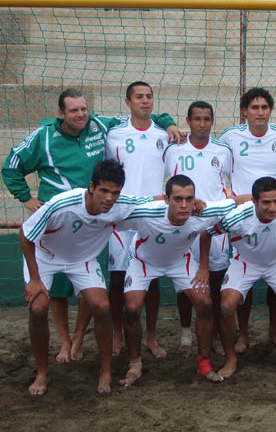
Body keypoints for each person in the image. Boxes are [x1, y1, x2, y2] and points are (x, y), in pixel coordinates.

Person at [2, 87, 179, 363]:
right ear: (61, 113)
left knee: (89, 281)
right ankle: (64, 340)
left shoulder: (97, 125)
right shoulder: (44, 137)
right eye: (73, 110)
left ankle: (79, 336)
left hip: (97, 215)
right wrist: (27, 199)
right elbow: (11, 165)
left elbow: (142, 113)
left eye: (84, 109)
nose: (81, 114)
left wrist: (168, 121)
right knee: (58, 288)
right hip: (59, 217)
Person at [20, 159, 150, 395]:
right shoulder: (63, 203)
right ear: (91, 187)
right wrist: (35, 280)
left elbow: (154, 202)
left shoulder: (121, 205)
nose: (109, 198)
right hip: (45, 255)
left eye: (115, 192)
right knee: (38, 308)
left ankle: (106, 371)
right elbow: (26, 233)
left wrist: (193, 204)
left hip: (82, 260)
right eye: (104, 191)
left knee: (102, 306)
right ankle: (42, 373)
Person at [118, 175, 235, 386]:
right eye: (177, 199)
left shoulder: (204, 213)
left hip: (180, 261)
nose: (184, 205)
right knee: (133, 309)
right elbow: (113, 209)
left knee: (206, 304)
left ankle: (204, 363)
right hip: (143, 262)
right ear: (166, 198)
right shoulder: (147, 213)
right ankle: (135, 364)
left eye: (189, 199)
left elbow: (238, 201)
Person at [102, 81, 183, 359]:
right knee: (116, 277)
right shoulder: (112, 133)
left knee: (152, 278)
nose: (145, 101)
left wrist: (169, 123)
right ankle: (116, 333)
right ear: (128, 102)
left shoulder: (163, 133)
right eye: (139, 97)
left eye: (149, 97)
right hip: (121, 214)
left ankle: (151, 336)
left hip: (152, 215)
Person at [208, 176, 276, 378]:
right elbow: (208, 233)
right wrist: (201, 269)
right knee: (226, 307)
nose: (273, 207)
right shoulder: (239, 216)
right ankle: (231, 359)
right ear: (254, 201)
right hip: (244, 262)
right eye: (266, 202)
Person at [219, 87, 276, 353]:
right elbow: (212, 161)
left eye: (264, 107)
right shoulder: (230, 136)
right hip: (245, 216)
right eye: (254, 107)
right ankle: (242, 334)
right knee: (246, 277)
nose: (260, 112)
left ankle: (274, 332)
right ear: (244, 111)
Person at [163, 101, 234, 356]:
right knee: (186, 283)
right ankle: (185, 335)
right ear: (188, 121)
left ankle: (213, 334)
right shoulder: (174, 150)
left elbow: (229, 184)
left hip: (214, 225)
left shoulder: (223, 151)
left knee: (215, 280)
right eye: (197, 119)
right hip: (184, 224)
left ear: (212, 121)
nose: (202, 124)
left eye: (207, 119)